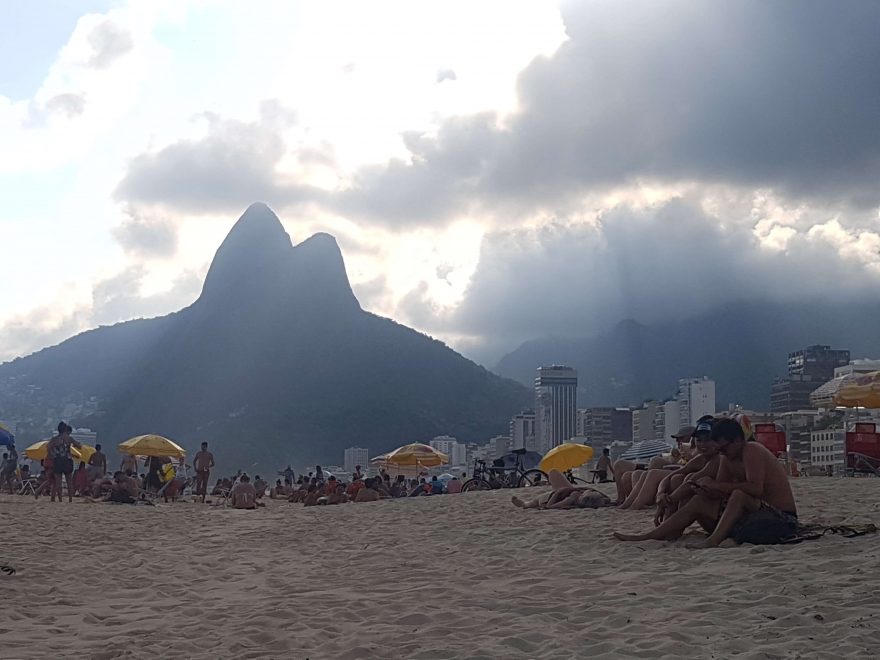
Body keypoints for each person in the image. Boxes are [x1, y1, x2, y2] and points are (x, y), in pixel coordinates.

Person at [614, 418, 797, 547]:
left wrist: (716, 486)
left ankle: (713, 541)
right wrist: (706, 490)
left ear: (738, 440)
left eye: (724, 448)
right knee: (698, 499)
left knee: (739, 494)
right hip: (753, 514)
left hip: (780, 517)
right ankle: (651, 536)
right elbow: (717, 489)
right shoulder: (726, 456)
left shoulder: (752, 451)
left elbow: (755, 488)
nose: (722, 452)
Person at [511, 470, 612, 510]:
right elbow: (607, 499)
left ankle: (524, 504)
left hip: (549, 498)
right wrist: (586, 488)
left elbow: (549, 506)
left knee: (533, 502)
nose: (589, 490)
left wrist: (558, 492)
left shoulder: (570, 500)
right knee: (553, 472)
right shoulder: (592, 497)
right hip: (562, 493)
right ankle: (525, 503)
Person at [46, 422, 82, 502]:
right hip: (67, 460)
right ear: (65, 429)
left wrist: (53, 455)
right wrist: (76, 445)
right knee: (69, 481)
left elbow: (48, 447)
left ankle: (60, 499)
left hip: (58, 460)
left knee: (58, 481)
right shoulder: (69, 438)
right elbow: (79, 446)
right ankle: (70, 499)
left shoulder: (54, 439)